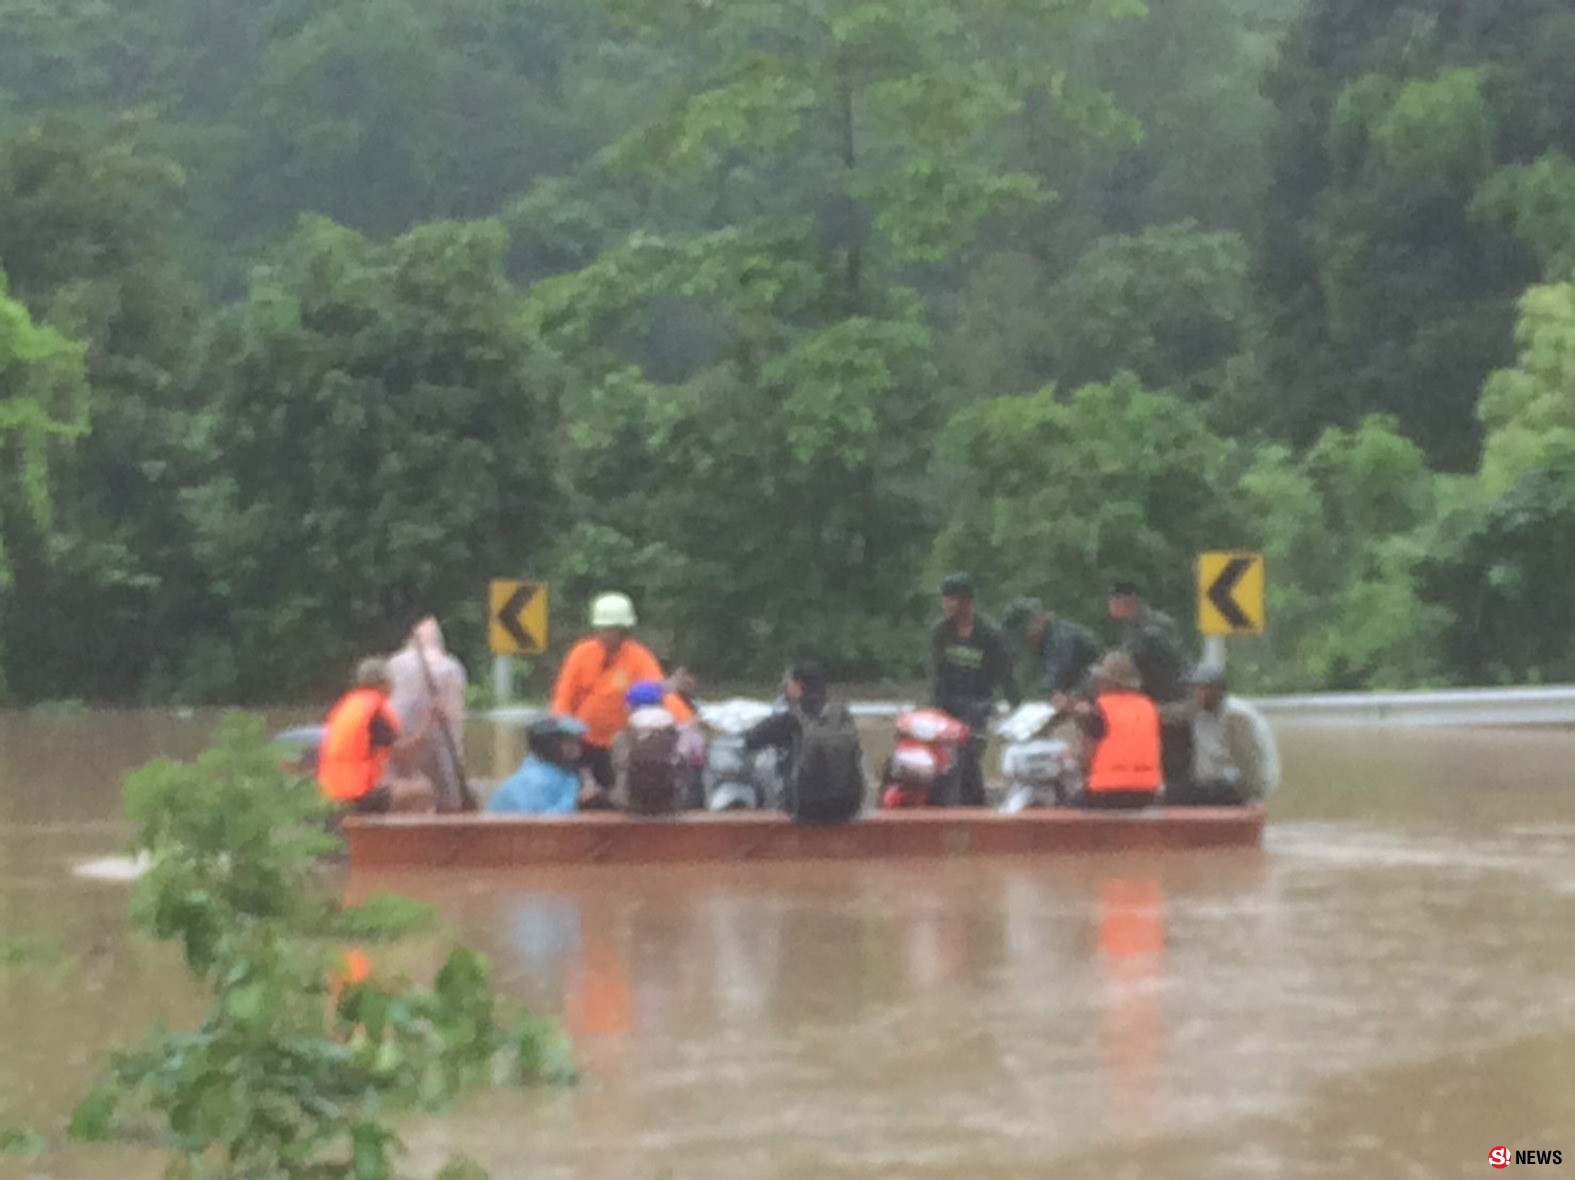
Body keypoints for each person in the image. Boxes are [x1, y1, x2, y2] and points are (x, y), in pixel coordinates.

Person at [552, 593, 695, 793]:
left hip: (620, 745)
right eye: (605, 629)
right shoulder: (581, 654)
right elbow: (563, 697)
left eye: (614, 629)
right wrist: (564, 734)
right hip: (582, 741)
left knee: (616, 795)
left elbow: (658, 693)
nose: (609, 634)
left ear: (625, 630)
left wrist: (685, 723)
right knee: (574, 792)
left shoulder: (638, 656)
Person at [930, 573, 1019, 806]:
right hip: (948, 703)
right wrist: (935, 711)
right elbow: (938, 677)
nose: (946, 604)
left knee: (966, 754)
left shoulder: (989, 634)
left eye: (952, 599)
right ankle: (956, 804)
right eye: (944, 599)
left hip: (978, 705)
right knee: (943, 760)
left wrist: (1018, 710)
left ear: (967, 602)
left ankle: (974, 805)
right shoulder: (941, 632)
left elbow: (1005, 676)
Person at [743, 661, 865, 824]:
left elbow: (752, 739)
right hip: (849, 806)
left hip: (810, 809)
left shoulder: (793, 718)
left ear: (798, 685)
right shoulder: (841, 713)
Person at [319, 658, 434, 814]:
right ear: (382, 683)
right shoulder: (375, 713)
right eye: (390, 681)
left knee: (395, 784)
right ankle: (390, 836)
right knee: (422, 790)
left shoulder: (348, 705)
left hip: (331, 791)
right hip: (356, 794)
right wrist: (429, 722)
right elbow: (403, 752)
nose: (393, 686)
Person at [1106, 580, 1190, 793]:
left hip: (1167, 703)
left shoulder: (1151, 630)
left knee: (1171, 768)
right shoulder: (1133, 627)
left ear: (1130, 600)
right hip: (1154, 703)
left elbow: (1128, 663)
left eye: (1114, 600)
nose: (1110, 605)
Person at [1162, 664, 1279, 806]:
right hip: (1208, 784)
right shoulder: (1197, 711)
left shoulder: (1236, 717)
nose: (1195, 694)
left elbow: (1250, 759)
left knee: (1180, 795)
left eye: (1202, 689)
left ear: (1217, 691)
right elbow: (1168, 713)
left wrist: (1253, 795)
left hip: (1235, 786)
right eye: (1193, 689)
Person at [387, 616, 469, 812]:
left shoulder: (395, 663)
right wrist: (457, 753)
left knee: (403, 788)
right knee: (447, 797)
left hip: (400, 741)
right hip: (438, 740)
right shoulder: (451, 667)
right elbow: (454, 714)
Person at [1069, 652, 1161, 810]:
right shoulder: (1148, 707)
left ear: (1107, 682)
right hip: (1146, 792)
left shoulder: (1101, 708)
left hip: (1106, 793)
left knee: (1066, 808)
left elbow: (1087, 756)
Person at [1000, 597, 1104, 708]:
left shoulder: (1060, 638)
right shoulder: (1047, 640)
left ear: (1037, 622)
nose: (1024, 641)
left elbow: (1055, 678)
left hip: (1099, 694)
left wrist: (1038, 697)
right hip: (1082, 691)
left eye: (1023, 633)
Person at [488, 716, 593, 815]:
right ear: (549, 745)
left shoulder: (565, 773)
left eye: (578, 743)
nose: (577, 750)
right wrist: (577, 801)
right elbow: (539, 825)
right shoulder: (535, 779)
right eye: (569, 743)